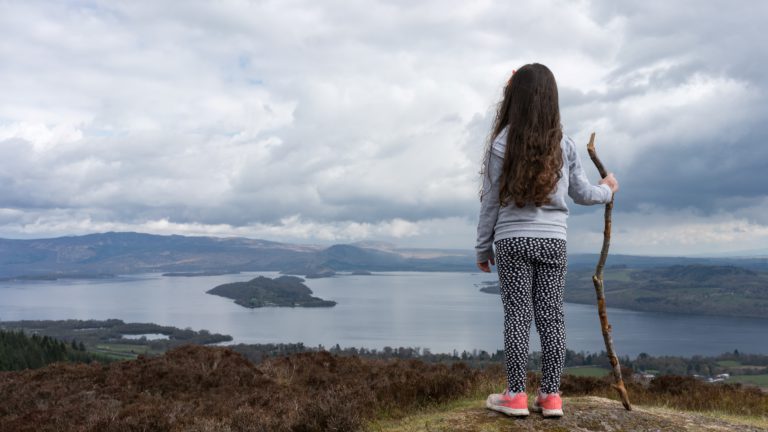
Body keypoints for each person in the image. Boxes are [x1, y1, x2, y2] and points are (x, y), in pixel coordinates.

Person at [475, 63, 619, 418]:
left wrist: (482, 246)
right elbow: (583, 193)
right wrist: (607, 190)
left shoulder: (502, 142)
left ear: (515, 98)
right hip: (553, 241)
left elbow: (491, 200)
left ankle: (515, 396)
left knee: (517, 316)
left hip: (511, 241)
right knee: (552, 317)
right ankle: (552, 397)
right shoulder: (565, 144)